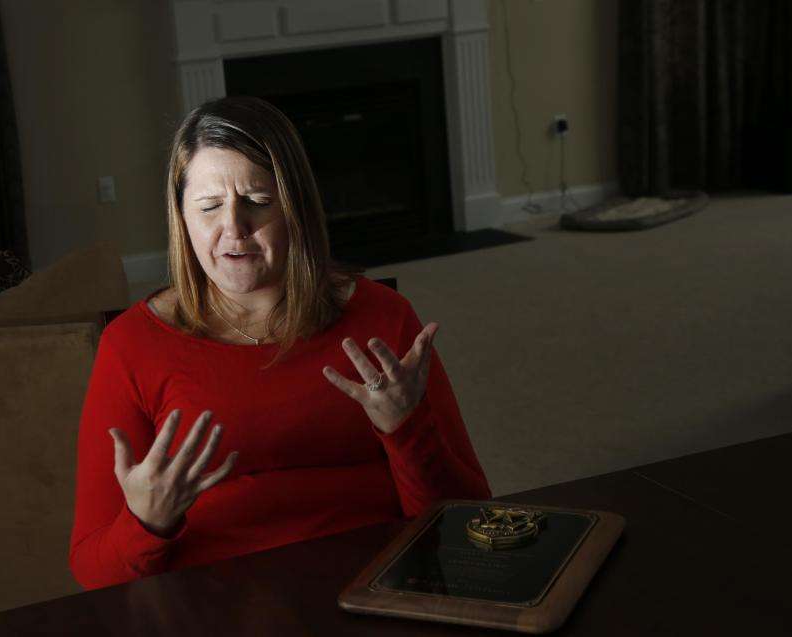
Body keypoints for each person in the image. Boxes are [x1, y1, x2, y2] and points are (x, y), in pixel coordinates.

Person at [69, 96, 491, 590]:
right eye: (208, 207)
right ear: (181, 218)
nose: (234, 228)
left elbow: (467, 520)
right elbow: (94, 572)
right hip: (219, 606)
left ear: (297, 209)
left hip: (376, 588)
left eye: (258, 202)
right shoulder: (132, 345)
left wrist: (406, 430)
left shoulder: (382, 317)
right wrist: (146, 522)